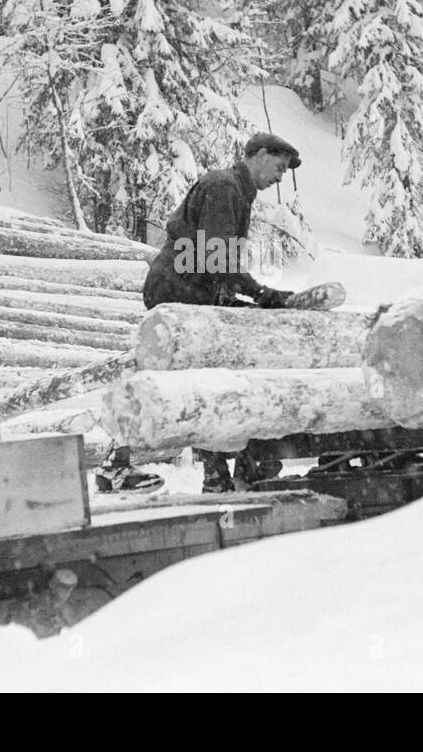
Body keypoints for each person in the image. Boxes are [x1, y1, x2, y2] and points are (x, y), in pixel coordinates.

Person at [96, 132, 301, 494]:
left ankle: (221, 473)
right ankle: (216, 476)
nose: (280, 177)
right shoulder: (225, 186)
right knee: (197, 377)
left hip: (189, 288)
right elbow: (216, 257)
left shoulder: (237, 191)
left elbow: (218, 262)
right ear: (261, 155)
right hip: (178, 289)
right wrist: (260, 293)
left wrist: (245, 295)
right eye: (279, 167)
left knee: (195, 375)